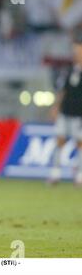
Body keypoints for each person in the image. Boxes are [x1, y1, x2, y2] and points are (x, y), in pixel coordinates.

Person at [48, 31, 82, 185]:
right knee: (59, 140)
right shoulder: (69, 70)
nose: (76, 54)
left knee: (80, 143)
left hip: (79, 114)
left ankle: (80, 175)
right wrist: (56, 107)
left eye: (78, 51)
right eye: (75, 51)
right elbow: (62, 91)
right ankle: (55, 173)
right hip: (65, 112)